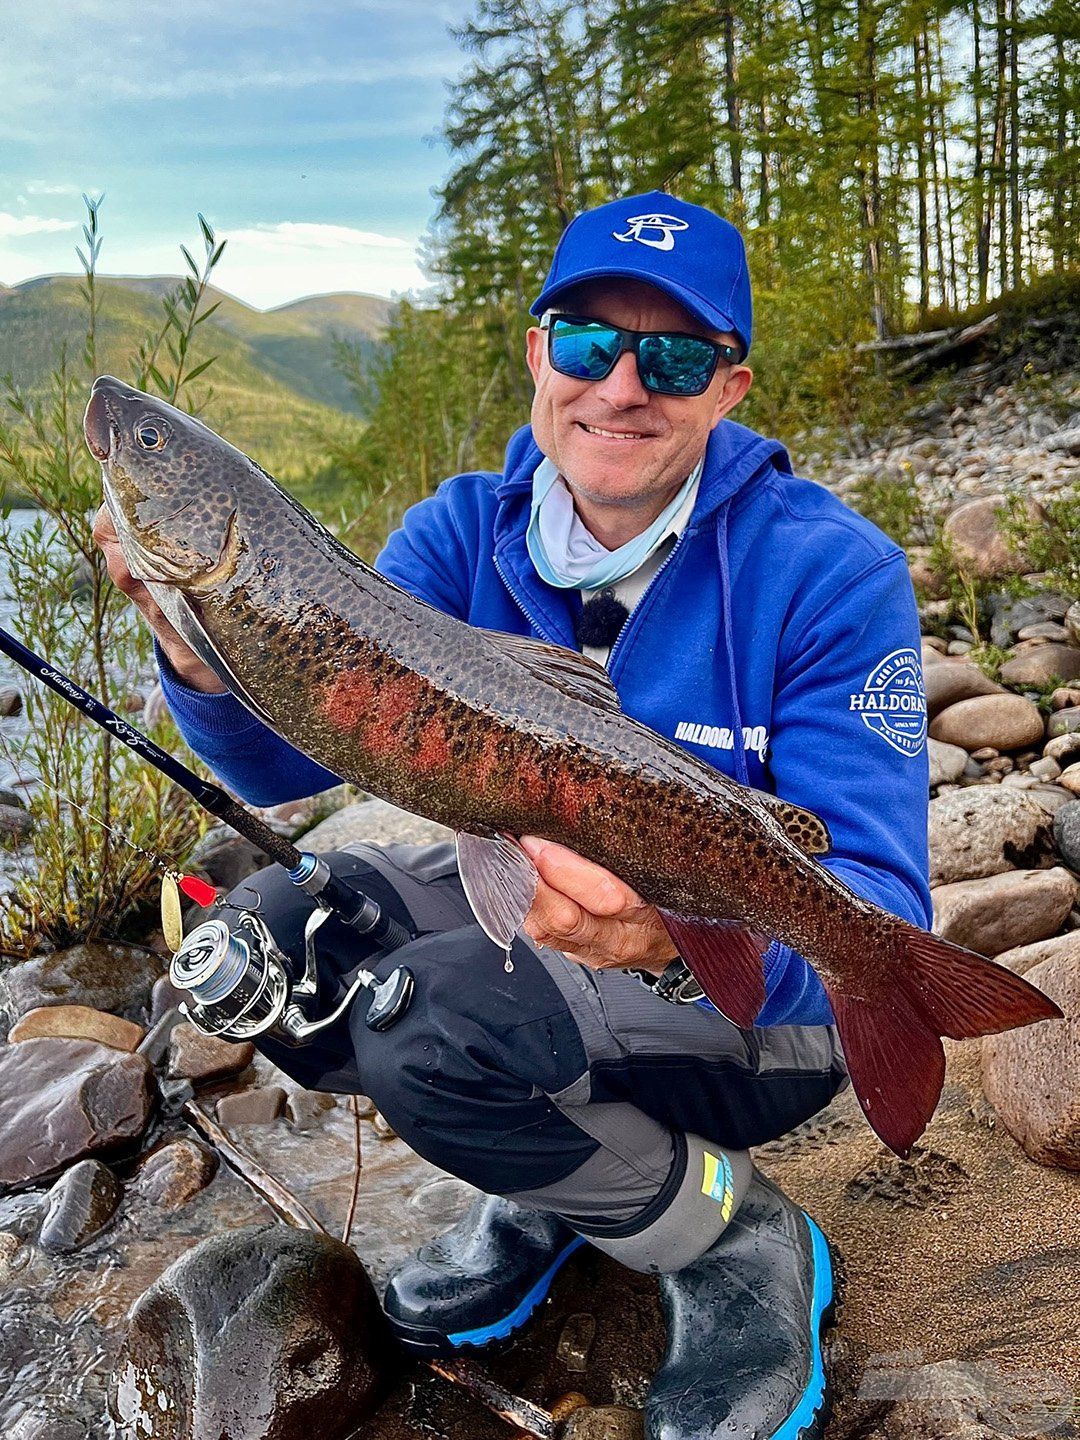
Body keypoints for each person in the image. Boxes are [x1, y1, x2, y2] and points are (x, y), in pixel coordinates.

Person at [95, 190, 931, 1440]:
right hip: (549, 937)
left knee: (432, 1028)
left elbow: (884, 902)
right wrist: (207, 658)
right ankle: (559, 1182)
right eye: (592, 343)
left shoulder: (829, 572)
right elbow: (285, 766)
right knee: (270, 955)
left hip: (756, 1000)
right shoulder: (456, 535)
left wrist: (669, 938)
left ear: (730, 389)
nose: (624, 385)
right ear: (539, 355)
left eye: (679, 356)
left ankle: (730, 1236)